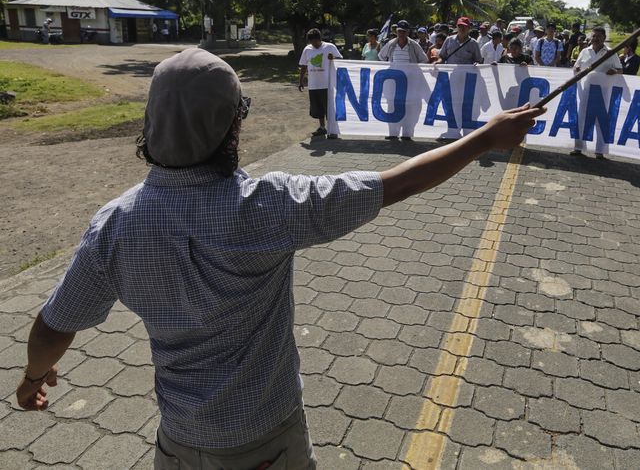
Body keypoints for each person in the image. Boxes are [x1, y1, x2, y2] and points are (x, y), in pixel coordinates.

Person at [14, 46, 546, 470]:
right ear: (233, 125)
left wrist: (34, 377)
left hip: (177, 439)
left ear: (150, 121)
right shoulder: (269, 207)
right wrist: (484, 139)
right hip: (266, 437)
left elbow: (53, 327)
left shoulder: (114, 224)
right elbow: (394, 185)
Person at [571, 27, 623, 158]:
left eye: (599, 36)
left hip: (604, 92)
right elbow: (576, 67)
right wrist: (576, 68)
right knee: (582, 118)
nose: (596, 38)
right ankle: (578, 148)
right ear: (591, 38)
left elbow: (620, 70)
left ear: (604, 38)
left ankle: (600, 152)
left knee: (601, 121)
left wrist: (614, 72)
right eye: (594, 36)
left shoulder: (611, 52)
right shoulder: (584, 51)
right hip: (586, 91)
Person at [299, 28, 342, 139]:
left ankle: (333, 130)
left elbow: (340, 61)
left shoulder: (329, 47)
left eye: (315, 42)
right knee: (317, 108)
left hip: (327, 84)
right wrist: (301, 81)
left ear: (320, 39)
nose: (314, 44)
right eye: (311, 42)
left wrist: (333, 58)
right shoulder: (307, 49)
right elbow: (304, 66)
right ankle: (322, 127)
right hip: (313, 84)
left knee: (330, 108)